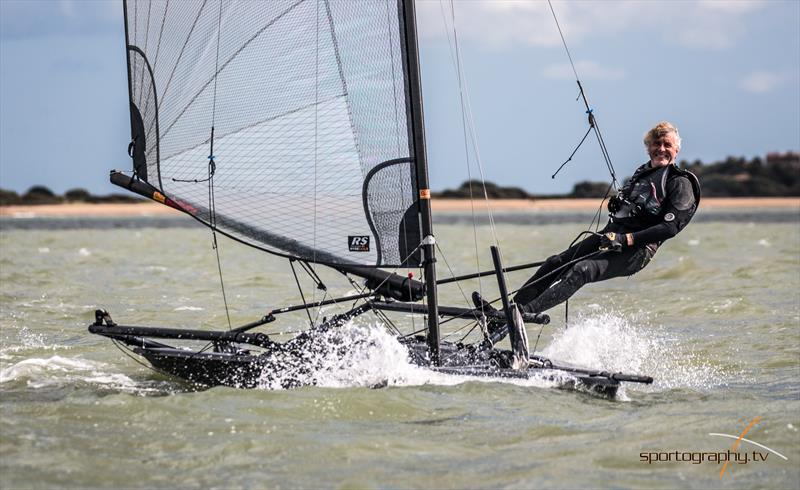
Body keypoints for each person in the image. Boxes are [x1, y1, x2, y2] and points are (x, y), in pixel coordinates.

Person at [474, 121, 701, 318]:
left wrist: (627, 240)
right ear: (648, 147)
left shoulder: (679, 183)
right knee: (555, 263)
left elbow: (670, 227)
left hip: (637, 250)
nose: (661, 149)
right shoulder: (641, 174)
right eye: (656, 144)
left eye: (667, 145)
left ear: (677, 149)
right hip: (609, 236)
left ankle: (520, 316)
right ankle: (506, 314)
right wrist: (618, 205)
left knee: (582, 270)